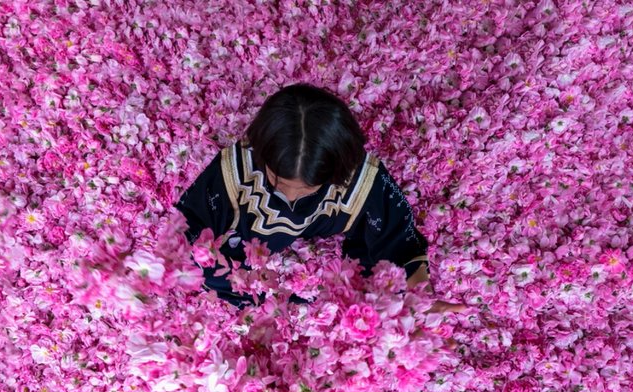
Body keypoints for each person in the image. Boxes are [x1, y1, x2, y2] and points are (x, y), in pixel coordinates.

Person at [175, 83, 466, 317]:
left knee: (377, 270)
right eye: (279, 182)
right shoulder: (236, 168)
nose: (289, 198)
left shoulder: (356, 173)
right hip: (255, 235)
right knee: (207, 268)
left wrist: (416, 295)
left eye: (304, 189)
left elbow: (397, 235)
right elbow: (189, 225)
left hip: (325, 219)